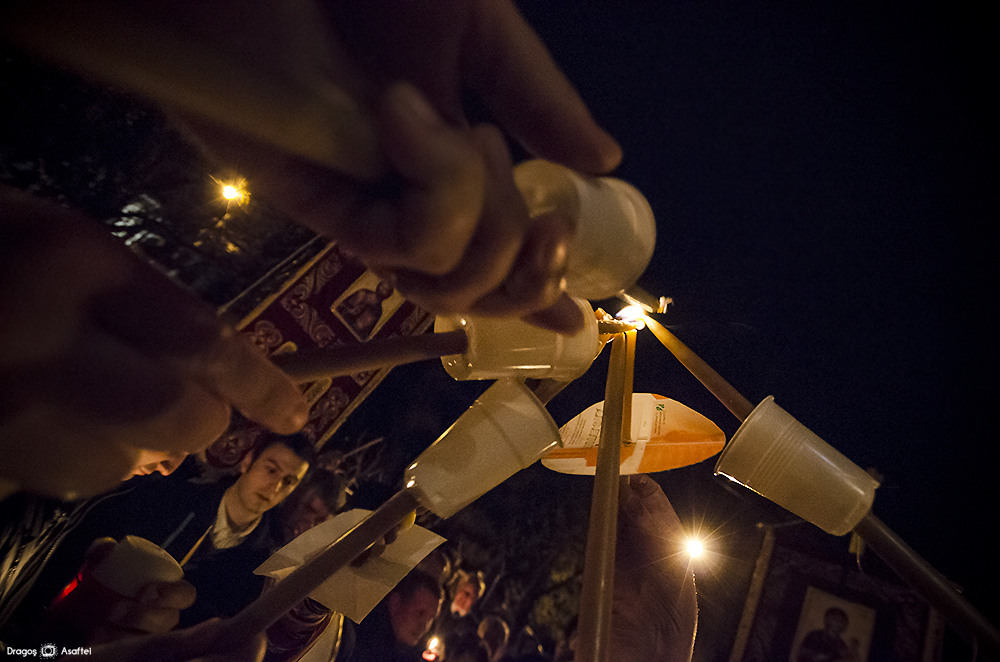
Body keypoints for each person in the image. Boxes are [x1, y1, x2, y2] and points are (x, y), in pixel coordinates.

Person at [2, 0, 622, 658]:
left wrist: (68, 649)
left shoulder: (91, 490)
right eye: (277, 471)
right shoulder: (139, 503)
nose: (279, 487)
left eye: (289, 481)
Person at [349, 570, 443, 662]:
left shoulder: (406, 652)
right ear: (395, 602)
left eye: (430, 619)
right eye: (420, 613)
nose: (423, 627)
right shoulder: (360, 642)